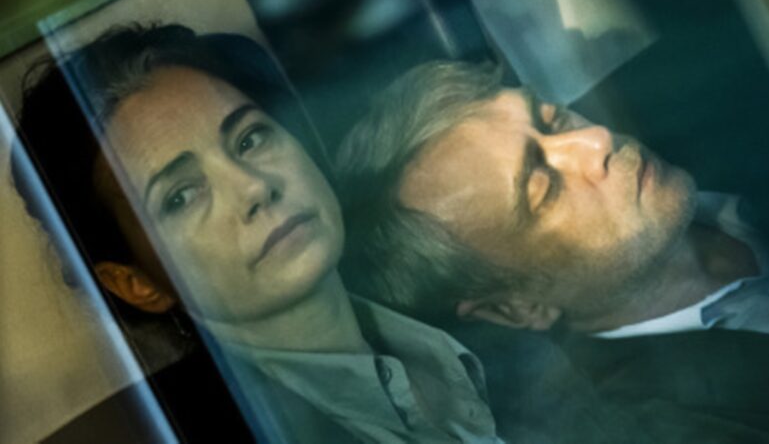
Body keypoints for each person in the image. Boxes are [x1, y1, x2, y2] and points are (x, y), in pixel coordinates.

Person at [12, 26, 502, 444]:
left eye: (250, 138)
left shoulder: (472, 302)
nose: (254, 186)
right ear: (135, 283)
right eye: (180, 196)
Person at [333, 60, 769, 442]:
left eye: (553, 119)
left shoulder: (747, 94)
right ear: (514, 307)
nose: (596, 142)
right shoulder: (668, 425)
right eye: (545, 187)